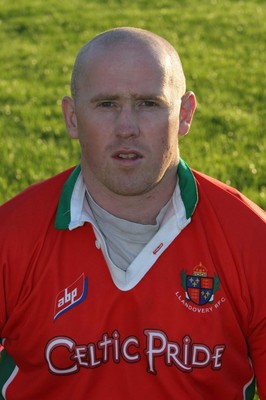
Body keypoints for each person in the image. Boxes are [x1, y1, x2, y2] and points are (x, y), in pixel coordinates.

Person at [0, 27, 265, 400]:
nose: (127, 128)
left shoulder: (253, 240)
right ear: (72, 118)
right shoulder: (11, 236)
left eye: (149, 104)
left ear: (185, 114)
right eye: (107, 104)